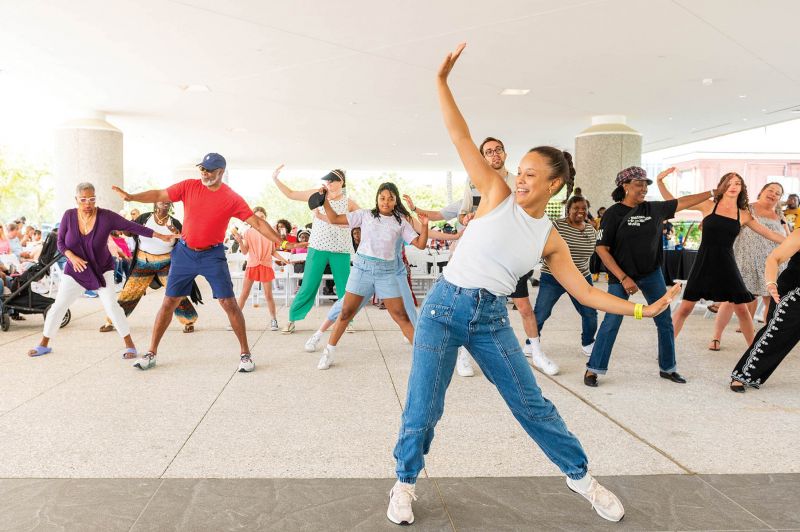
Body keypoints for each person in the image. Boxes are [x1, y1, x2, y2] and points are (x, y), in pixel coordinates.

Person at [387, 43, 681, 527]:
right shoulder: (497, 193)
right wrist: (441, 81)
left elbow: (585, 292)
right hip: (442, 311)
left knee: (533, 406)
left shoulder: (550, 236)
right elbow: (460, 136)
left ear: (553, 186)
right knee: (423, 410)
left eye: (529, 174)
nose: (518, 178)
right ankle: (404, 483)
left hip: (489, 319)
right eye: (518, 170)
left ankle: (582, 479)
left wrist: (641, 311)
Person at [112, 152, 282, 372]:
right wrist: (132, 197)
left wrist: (277, 240)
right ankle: (151, 353)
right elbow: (159, 193)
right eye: (202, 168)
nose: (204, 173)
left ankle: (245, 354)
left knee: (229, 303)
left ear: (221, 172)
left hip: (213, 255)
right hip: (185, 253)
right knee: (169, 302)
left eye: (209, 170)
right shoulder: (189, 186)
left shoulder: (231, 197)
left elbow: (257, 222)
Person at [586, 166, 713, 387]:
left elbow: (686, 202)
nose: (644, 188)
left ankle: (668, 367)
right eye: (638, 184)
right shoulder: (612, 214)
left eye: (646, 184)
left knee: (664, 321)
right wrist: (623, 278)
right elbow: (602, 250)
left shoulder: (655, 209)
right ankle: (593, 368)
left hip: (651, 274)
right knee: (612, 320)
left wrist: (713, 191)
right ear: (624, 186)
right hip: (621, 277)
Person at [27, 182, 176, 358]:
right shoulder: (68, 216)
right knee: (58, 306)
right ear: (76, 200)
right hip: (75, 270)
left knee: (112, 306)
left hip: (102, 269)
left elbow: (132, 227)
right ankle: (44, 344)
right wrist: (72, 257)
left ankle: (130, 345)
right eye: (83, 200)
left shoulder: (106, 217)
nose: (88, 203)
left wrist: (161, 235)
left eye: (91, 199)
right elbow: (60, 242)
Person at [661, 172, 784, 348]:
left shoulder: (744, 214)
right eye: (729, 183)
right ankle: (666, 350)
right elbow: (675, 203)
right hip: (703, 261)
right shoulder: (708, 205)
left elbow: (770, 234)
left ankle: (753, 351)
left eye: (737, 183)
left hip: (727, 263)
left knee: (742, 308)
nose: (733, 186)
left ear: (742, 189)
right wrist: (660, 182)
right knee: (685, 308)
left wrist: (794, 242)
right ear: (722, 186)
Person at [315, 183, 428, 369]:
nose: (386, 201)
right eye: (382, 197)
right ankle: (329, 351)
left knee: (401, 316)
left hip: (387, 272)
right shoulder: (365, 215)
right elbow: (334, 219)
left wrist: (424, 226)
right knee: (346, 313)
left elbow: (420, 244)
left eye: (390, 198)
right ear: (377, 198)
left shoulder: (400, 221)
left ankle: (425, 356)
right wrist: (325, 201)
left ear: (395, 201)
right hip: (362, 270)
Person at [272, 165, 359, 333]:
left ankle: (348, 320)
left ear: (341, 182)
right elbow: (291, 194)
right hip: (318, 246)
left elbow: (360, 220)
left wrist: (325, 218)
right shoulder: (317, 194)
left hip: (340, 249)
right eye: (326, 181)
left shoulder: (349, 202)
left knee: (344, 286)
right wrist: (275, 179)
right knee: (308, 285)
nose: (328, 183)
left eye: (331, 181)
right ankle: (292, 319)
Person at [98, 201, 200, 335]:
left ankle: (189, 321)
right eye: (161, 200)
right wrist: (122, 225)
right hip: (143, 261)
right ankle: (112, 321)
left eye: (167, 201)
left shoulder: (175, 223)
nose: (164, 202)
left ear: (170, 205)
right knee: (129, 292)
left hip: (167, 263)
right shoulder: (145, 218)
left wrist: (177, 234)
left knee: (175, 293)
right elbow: (129, 232)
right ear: (155, 202)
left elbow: (184, 242)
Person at [711, 182, 789, 349]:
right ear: (761, 191)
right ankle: (716, 337)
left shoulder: (780, 216)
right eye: (770, 190)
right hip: (744, 261)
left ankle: (768, 340)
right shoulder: (746, 209)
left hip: (772, 264)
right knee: (730, 300)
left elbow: (788, 238)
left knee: (772, 301)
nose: (773, 194)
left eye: (777, 193)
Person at [730, 227, 800, 392]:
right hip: (793, 294)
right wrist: (770, 282)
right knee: (776, 334)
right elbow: (774, 258)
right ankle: (743, 374)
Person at [533, 196, 598, 358]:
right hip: (554, 276)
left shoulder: (590, 229)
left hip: (581, 277)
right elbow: (543, 246)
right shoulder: (556, 226)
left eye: (584, 208)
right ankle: (532, 343)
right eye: (576, 208)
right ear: (568, 210)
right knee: (541, 312)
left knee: (589, 312)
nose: (580, 211)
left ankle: (588, 342)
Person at [231, 206, 287, 331]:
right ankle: (235, 321)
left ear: (265, 218)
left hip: (266, 265)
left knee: (268, 295)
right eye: (257, 217)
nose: (260, 219)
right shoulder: (248, 232)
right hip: (252, 265)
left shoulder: (271, 232)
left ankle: (274, 320)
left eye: (262, 217)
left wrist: (283, 260)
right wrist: (240, 241)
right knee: (244, 294)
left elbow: (273, 251)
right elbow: (245, 252)